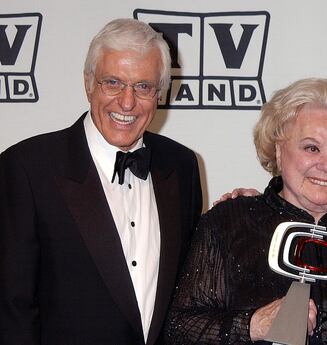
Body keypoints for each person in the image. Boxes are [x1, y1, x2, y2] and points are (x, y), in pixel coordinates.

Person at [0, 19, 202, 345]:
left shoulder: (181, 165)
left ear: (160, 93)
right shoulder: (27, 168)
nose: (126, 102)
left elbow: (189, 289)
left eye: (143, 87)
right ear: (88, 84)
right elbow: (11, 308)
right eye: (113, 83)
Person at [164, 78, 327, 344]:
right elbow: (179, 328)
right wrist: (253, 324)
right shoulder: (229, 222)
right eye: (312, 148)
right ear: (278, 149)